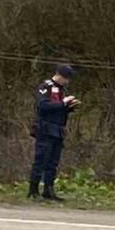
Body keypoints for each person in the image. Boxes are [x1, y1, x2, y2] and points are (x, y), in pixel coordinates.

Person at [28, 64, 80, 201]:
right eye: (65, 78)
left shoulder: (62, 90)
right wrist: (62, 103)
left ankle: (48, 190)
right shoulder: (45, 87)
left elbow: (58, 109)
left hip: (58, 130)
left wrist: (68, 107)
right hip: (45, 129)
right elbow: (43, 105)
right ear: (58, 75)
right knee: (40, 160)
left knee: (53, 162)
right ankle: (33, 190)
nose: (67, 81)